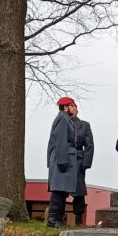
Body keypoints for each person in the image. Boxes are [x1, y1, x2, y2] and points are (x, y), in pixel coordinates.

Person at [47, 97, 78, 228]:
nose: (74, 108)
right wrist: (62, 161)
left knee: (62, 190)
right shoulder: (63, 120)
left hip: (65, 157)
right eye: (71, 105)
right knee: (59, 190)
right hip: (63, 157)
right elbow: (60, 141)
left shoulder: (65, 119)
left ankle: (58, 218)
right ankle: (53, 218)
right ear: (65, 107)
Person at [71, 105, 94, 226]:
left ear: (77, 110)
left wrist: (85, 163)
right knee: (60, 190)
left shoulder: (84, 125)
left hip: (78, 161)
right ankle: (57, 216)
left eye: (73, 108)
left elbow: (89, 145)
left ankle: (78, 218)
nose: (71, 110)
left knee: (78, 191)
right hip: (64, 159)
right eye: (69, 107)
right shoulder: (61, 124)